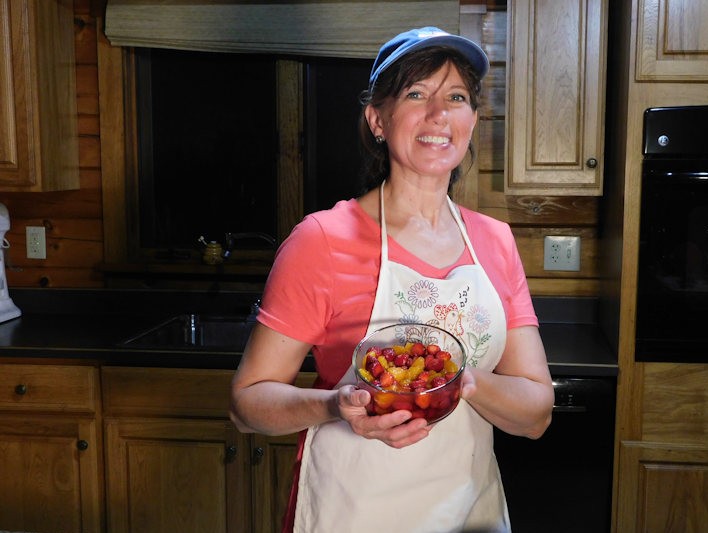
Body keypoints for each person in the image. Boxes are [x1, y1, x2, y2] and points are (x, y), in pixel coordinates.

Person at [230, 26, 554, 533]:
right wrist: (336, 406)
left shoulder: (495, 241)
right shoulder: (322, 240)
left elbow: (536, 415)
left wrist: (455, 381)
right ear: (377, 119)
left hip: (469, 511)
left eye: (456, 97)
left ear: (471, 119)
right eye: (416, 94)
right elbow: (247, 404)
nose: (438, 115)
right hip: (354, 511)